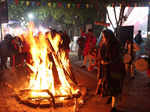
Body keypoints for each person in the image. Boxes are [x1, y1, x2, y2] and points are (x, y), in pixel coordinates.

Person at [96, 29, 126, 112]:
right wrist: (100, 62)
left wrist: (108, 62)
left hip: (115, 69)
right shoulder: (104, 44)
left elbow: (117, 57)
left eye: (104, 36)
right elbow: (101, 55)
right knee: (108, 85)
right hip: (106, 69)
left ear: (108, 36)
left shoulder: (116, 44)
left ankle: (114, 106)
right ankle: (110, 97)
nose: (103, 38)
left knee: (115, 87)